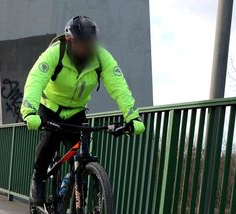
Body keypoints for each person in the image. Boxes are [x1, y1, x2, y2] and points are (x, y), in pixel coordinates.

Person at [20, 16, 145, 204]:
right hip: (51, 107)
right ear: (70, 40)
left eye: (89, 43)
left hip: (76, 111)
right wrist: (29, 111)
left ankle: (79, 213)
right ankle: (38, 178)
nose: (86, 48)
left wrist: (133, 117)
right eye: (81, 43)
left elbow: (119, 87)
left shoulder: (101, 58)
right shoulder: (56, 53)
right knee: (50, 140)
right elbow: (36, 80)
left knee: (82, 157)